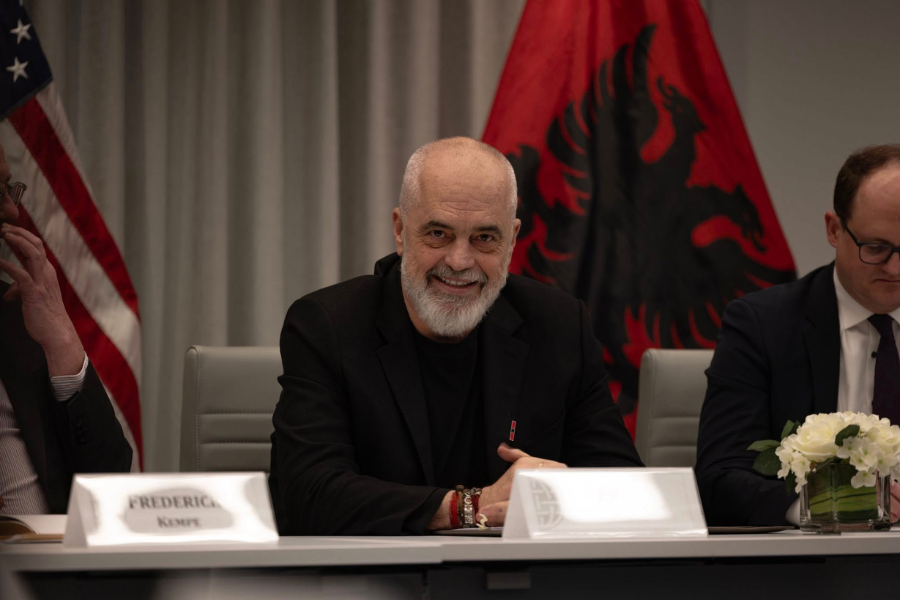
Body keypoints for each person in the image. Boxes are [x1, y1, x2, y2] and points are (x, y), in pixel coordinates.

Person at [269, 137, 642, 535]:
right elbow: (306, 493)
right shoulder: (328, 326)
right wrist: (469, 506)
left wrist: (560, 494)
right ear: (400, 230)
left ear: (512, 240)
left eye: (485, 238)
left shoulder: (558, 325)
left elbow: (625, 487)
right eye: (438, 233)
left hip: (521, 570)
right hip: (379, 570)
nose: (460, 261)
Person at [696, 144, 900, 526]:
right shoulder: (762, 326)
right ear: (834, 230)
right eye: (876, 248)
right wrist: (817, 507)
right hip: (815, 551)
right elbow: (719, 478)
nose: (894, 268)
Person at [0, 142, 132, 515]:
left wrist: (61, 338)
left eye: (8, 189)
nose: (12, 211)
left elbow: (110, 481)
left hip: (51, 550)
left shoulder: (17, 313)